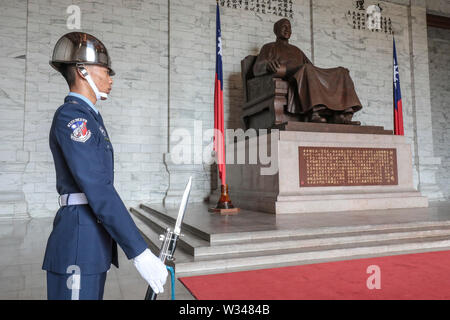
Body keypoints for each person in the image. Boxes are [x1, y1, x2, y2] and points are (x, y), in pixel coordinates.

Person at [42, 32, 167, 300]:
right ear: (82, 71)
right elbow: (97, 186)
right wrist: (139, 251)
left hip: (91, 241)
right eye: (106, 70)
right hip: (78, 241)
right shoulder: (73, 116)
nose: (111, 78)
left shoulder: (91, 118)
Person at [253, 18, 362, 125]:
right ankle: (313, 113)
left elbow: (313, 68)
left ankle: (342, 115)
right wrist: (267, 65)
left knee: (341, 71)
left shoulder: (296, 50)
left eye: (289, 27)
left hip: (304, 74)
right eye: (284, 27)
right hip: (291, 77)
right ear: (276, 30)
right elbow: (256, 68)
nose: (287, 30)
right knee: (306, 69)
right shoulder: (269, 47)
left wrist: (329, 75)